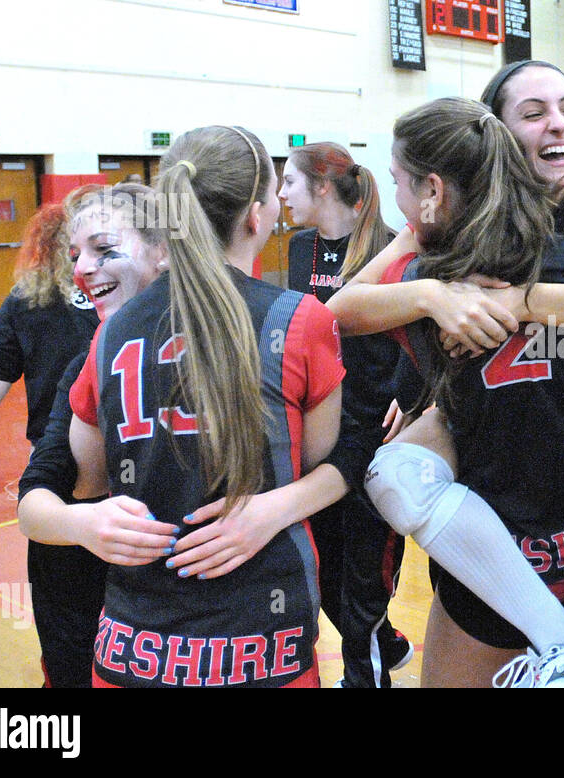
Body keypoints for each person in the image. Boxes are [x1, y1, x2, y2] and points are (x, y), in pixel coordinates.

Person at [331, 62, 564, 686]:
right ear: (495, 135)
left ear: (434, 189)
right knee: (397, 475)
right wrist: (433, 296)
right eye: (534, 113)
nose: (559, 124)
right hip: (505, 467)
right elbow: (339, 310)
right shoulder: (441, 256)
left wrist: (520, 301)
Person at [30, 126, 344, 688]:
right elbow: (325, 457)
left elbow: (82, 481)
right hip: (262, 644)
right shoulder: (299, 320)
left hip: (136, 644)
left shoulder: (110, 335)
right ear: (257, 214)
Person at [0, 202, 102, 687]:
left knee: (66, 626)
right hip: (142, 481)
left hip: (55, 485)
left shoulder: (27, 301)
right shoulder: (145, 296)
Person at [278, 142, 413, 688]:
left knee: (362, 581)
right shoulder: (299, 248)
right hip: (317, 435)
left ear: (324, 187)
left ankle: (367, 673)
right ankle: (387, 643)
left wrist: (413, 392)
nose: (281, 193)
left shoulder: (389, 249)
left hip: (374, 434)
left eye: (289, 180)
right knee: (325, 570)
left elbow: (423, 333)